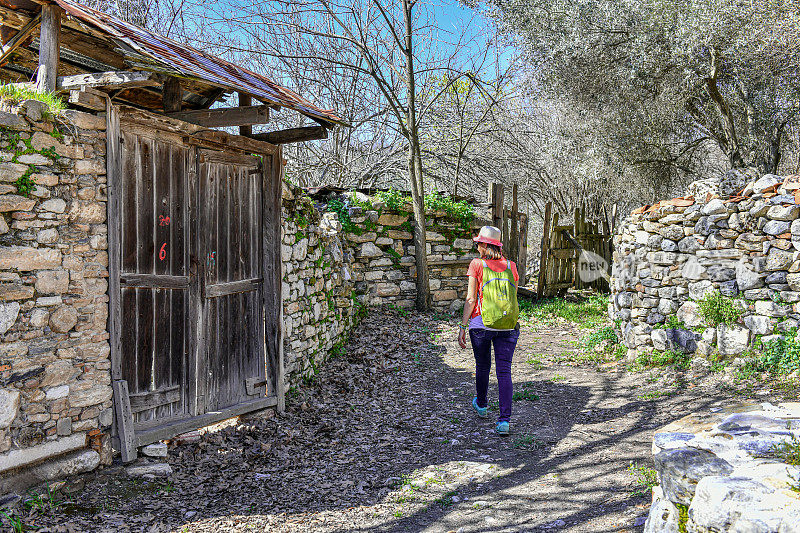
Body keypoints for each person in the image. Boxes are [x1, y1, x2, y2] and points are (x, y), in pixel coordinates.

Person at [457, 225, 520, 435]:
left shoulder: (477, 265)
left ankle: (482, 405)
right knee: (504, 371)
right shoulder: (511, 266)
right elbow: (512, 297)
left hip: (480, 324)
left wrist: (463, 326)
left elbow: (470, 298)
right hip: (507, 325)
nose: (477, 248)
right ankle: (504, 421)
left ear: (485, 245)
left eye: (478, 244)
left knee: (483, 366)